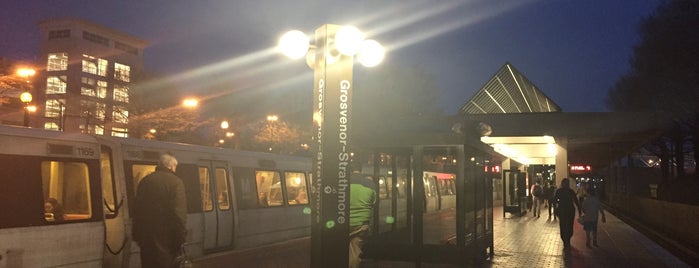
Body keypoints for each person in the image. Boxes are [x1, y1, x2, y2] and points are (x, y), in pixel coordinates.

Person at [133, 153, 187, 268]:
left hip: (146, 237)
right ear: (171, 166)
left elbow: (137, 209)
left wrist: (137, 235)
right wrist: (181, 238)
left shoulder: (145, 181)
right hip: (167, 239)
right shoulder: (176, 182)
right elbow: (178, 214)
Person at [348, 171, 377, 268]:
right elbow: (374, 202)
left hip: (343, 222)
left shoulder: (343, 181)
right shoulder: (370, 184)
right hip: (361, 224)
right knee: (354, 253)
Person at [554, 178, 581, 249]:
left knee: (562, 225)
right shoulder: (571, 191)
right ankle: (568, 240)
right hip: (570, 210)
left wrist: (556, 207)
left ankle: (565, 241)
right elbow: (576, 201)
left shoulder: (559, 191)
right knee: (569, 225)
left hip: (562, 210)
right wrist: (580, 210)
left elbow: (554, 200)